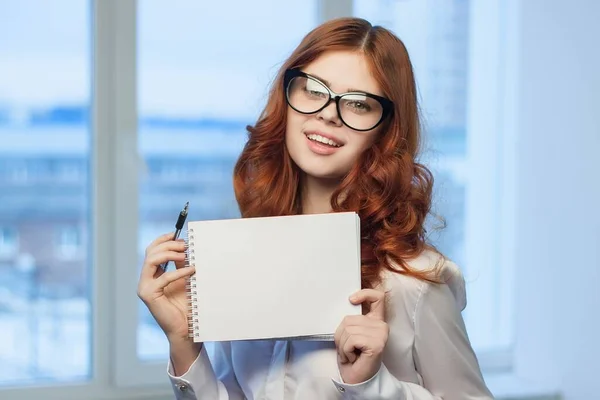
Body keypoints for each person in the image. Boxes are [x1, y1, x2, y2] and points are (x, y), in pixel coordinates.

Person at [137, 17, 494, 400]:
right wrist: (183, 343)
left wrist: (371, 385)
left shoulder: (416, 280)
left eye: (358, 103)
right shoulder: (245, 255)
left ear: (386, 130)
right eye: (313, 89)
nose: (327, 113)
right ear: (287, 99)